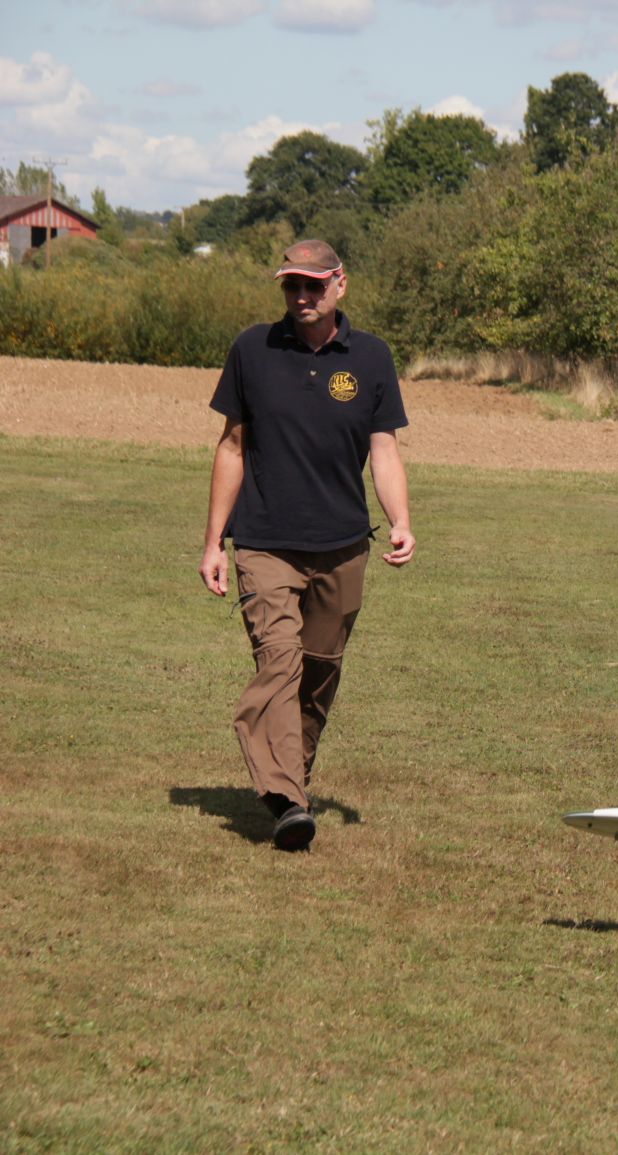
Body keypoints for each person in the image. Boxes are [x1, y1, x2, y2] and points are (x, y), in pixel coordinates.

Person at [198, 239, 415, 851]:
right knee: (279, 661)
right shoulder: (252, 350)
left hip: (343, 545)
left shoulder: (372, 357)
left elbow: (384, 450)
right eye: (291, 285)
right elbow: (232, 446)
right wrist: (214, 542)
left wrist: (400, 520)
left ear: (340, 284)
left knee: (318, 674)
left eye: (313, 285)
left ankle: (292, 779)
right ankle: (287, 799)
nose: (301, 296)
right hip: (265, 542)